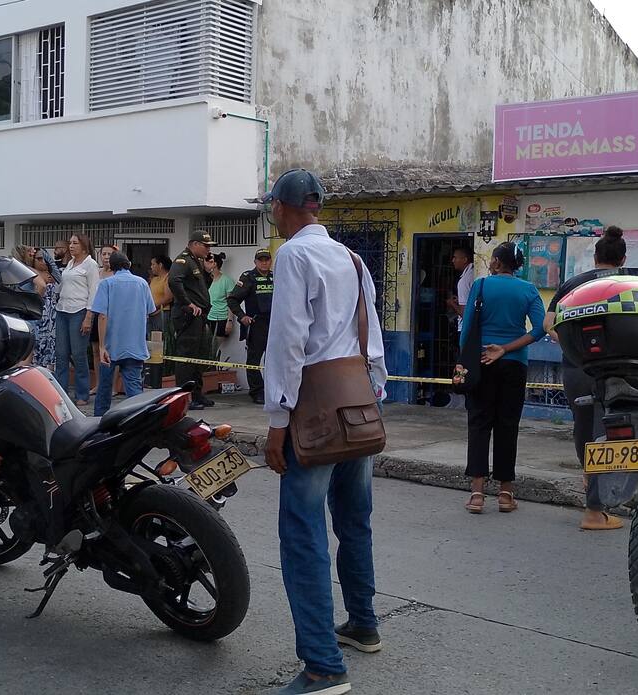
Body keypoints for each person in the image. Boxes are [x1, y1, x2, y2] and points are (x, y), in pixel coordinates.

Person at [260, 169, 387, 695]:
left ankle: (322, 666)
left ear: (281, 207)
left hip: (312, 409)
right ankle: (363, 623)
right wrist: (373, 394)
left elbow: (289, 342)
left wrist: (276, 421)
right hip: (357, 400)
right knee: (354, 519)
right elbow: (372, 335)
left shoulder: (294, 255)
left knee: (302, 531)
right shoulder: (352, 259)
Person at [543, 226, 628, 530]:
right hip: (615, 370)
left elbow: (548, 324)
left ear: (595, 256)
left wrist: (570, 345)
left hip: (576, 368)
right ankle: (594, 509)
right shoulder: (629, 285)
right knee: (609, 431)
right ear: (623, 258)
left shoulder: (572, 285)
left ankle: (590, 479)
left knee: (583, 427)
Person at [460, 241, 546, 514]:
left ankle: (477, 493)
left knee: (479, 423)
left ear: (496, 262)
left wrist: (464, 362)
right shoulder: (529, 290)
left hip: (481, 361)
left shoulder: (482, 286)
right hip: (514, 364)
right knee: (508, 425)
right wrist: (507, 348)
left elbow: (468, 328)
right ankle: (506, 494)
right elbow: (541, 329)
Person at [91, 251, 156, 417]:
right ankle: (138, 423)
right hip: (135, 345)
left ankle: (99, 423)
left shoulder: (106, 284)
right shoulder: (142, 284)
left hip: (111, 346)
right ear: (129, 265)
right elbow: (150, 311)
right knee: (134, 390)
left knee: (104, 389)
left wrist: (102, 346)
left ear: (111, 268)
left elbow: (102, 315)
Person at [169, 231, 216, 410]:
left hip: (199, 316)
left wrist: (208, 272)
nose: (208, 249)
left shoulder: (195, 262)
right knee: (186, 358)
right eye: (206, 245)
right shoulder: (183, 260)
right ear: (194, 244)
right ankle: (184, 398)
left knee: (198, 357)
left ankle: (197, 394)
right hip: (188, 316)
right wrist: (188, 304)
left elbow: (199, 288)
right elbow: (174, 282)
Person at [54, 233, 100, 406]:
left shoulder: (90, 264)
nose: (71, 246)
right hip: (62, 310)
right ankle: (61, 392)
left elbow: (94, 291)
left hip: (79, 311)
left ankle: (82, 393)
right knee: (61, 354)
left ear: (84, 246)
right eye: (70, 243)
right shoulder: (70, 263)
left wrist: (89, 317)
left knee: (79, 354)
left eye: (75, 243)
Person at [228, 248, 274, 404]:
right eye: (260, 260)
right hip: (256, 324)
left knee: (276, 360)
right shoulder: (248, 277)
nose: (264, 262)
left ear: (270, 261)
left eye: (266, 259)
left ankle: (273, 390)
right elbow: (232, 299)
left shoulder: (276, 277)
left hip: (275, 324)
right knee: (254, 360)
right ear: (255, 262)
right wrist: (242, 317)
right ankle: (257, 392)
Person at [91, 245, 121, 397]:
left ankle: (113, 386)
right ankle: (98, 384)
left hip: (112, 316)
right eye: (104, 254)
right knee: (96, 350)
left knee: (112, 351)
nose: (106, 256)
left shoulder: (118, 274)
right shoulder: (96, 273)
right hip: (97, 313)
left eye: (110, 254)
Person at [33, 248, 59, 370]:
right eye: (38, 258)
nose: (42, 261)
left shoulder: (52, 274)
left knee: (51, 347)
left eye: (44, 258)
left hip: (52, 315)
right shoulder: (30, 274)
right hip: (37, 311)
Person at [205, 252, 235, 342]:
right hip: (206, 318)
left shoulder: (227, 281)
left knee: (215, 349)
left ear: (214, 264)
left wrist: (230, 321)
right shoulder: (204, 280)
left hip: (221, 319)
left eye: (207, 261)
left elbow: (231, 302)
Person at [445, 247, 474, 333]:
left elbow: (464, 314)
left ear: (465, 259)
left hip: (465, 328)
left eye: (455, 257)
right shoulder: (473, 273)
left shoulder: (464, 281)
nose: (453, 261)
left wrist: (452, 303)